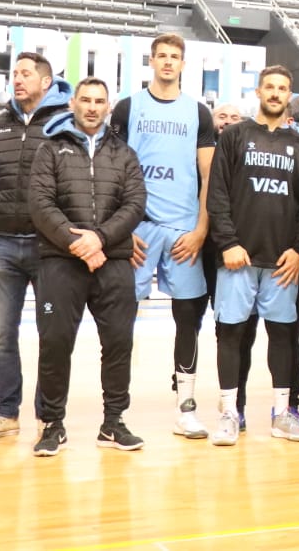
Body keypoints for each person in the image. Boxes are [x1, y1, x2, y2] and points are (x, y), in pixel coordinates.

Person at [28, 77, 148, 456]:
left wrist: (100, 239)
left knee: (117, 344)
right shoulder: (51, 150)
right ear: (73, 105)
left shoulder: (124, 154)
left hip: (112, 263)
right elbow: (41, 204)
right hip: (60, 263)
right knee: (55, 343)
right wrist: (78, 243)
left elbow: (134, 204)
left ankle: (113, 423)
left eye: (99, 101)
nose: (92, 107)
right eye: (85, 100)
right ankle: (52, 424)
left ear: (108, 107)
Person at [0, 51, 72, 442]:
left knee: (51, 335)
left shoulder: (64, 126)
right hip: (3, 244)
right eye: (15, 74)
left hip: (50, 249)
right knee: (1, 336)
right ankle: (7, 413)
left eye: (26, 74)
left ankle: (48, 416)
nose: (18, 79)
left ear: (46, 81)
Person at [110, 33, 217, 441]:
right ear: (151, 61)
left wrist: (201, 229)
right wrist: (121, 231)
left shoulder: (198, 113)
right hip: (136, 230)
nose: (168, 63)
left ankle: (185, 407)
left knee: (187, 319)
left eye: (175, 57)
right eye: (162, 57)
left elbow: (208, 176)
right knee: (122, 321)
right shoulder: (128, 108)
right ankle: (116, 410)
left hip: (184, 231)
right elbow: (112, 170)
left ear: (183, 65)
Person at [206, 66, 299, 447]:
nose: (275, 93)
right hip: (238, 257)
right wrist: (228, 243)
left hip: (282, 263)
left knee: (283, 335)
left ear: (289, 96)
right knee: (232, 334)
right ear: (258, 91)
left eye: (282, 88)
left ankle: (282, 413)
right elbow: (217, 195)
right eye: (269, 87)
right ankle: (227, 413)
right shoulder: (236, 136)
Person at [200, 102, 260, 430]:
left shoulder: (250, 157)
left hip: (239, 256)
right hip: (205, 252)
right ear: (213, 122)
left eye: (235, 117)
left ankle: (236, 404)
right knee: (209, 329)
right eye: (222, 116)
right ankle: (189, 400)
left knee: (239, 332)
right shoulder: (201, 155)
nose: (228, 122)